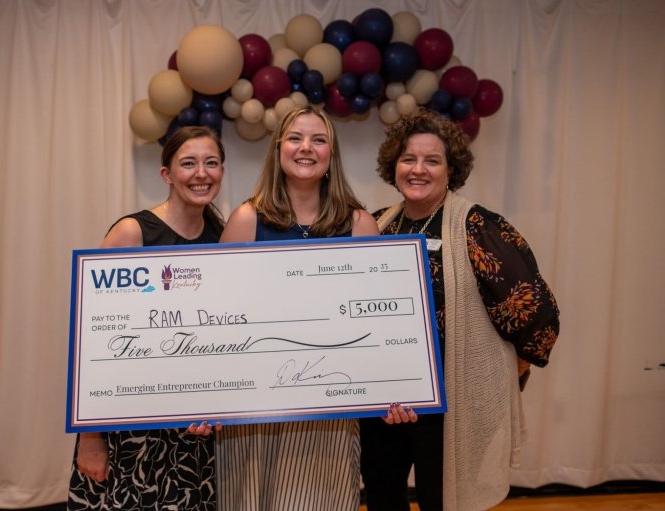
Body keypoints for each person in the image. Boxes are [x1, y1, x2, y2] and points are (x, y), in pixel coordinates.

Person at [360, 108, 560, 511]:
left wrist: (511, 368)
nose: (418, 169)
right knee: (383, 498)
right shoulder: (377, 223)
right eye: (408, 159)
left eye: (431, 160)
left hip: (451, 405)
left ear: (451, 169)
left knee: (445, 503)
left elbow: (536, 312)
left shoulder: (478, 228)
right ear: (393, 166)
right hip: (384, 405)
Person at [216, 105, 397, 510]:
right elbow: (220, 320)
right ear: (278, 148)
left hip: (329, 410)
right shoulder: (246, 220)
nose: (306, 148)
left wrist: (394, 386)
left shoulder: (359, 224)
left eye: (319, 140)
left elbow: (377, 325)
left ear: (331, 154)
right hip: (255, 413)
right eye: (296, 137)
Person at [68, 126, 226, 511]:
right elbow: (94, 340)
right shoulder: (132, 232)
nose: (201, 173)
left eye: (211, 163)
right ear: (166, 174)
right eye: (188, 164)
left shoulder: (221, 237)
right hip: (132, 428)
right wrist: (90, 438)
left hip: (193, 430)